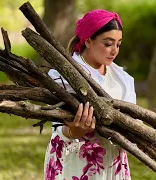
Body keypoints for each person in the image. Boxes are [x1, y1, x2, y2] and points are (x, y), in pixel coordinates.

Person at [44, 9, 136, 180]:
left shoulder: (123, 80)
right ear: (88, 41)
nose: (114, 51)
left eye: (118, 44)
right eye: (108, 44)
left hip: (112, 162)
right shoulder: (63, 76)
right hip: (75, 162)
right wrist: (73, 132)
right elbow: (57, 126)